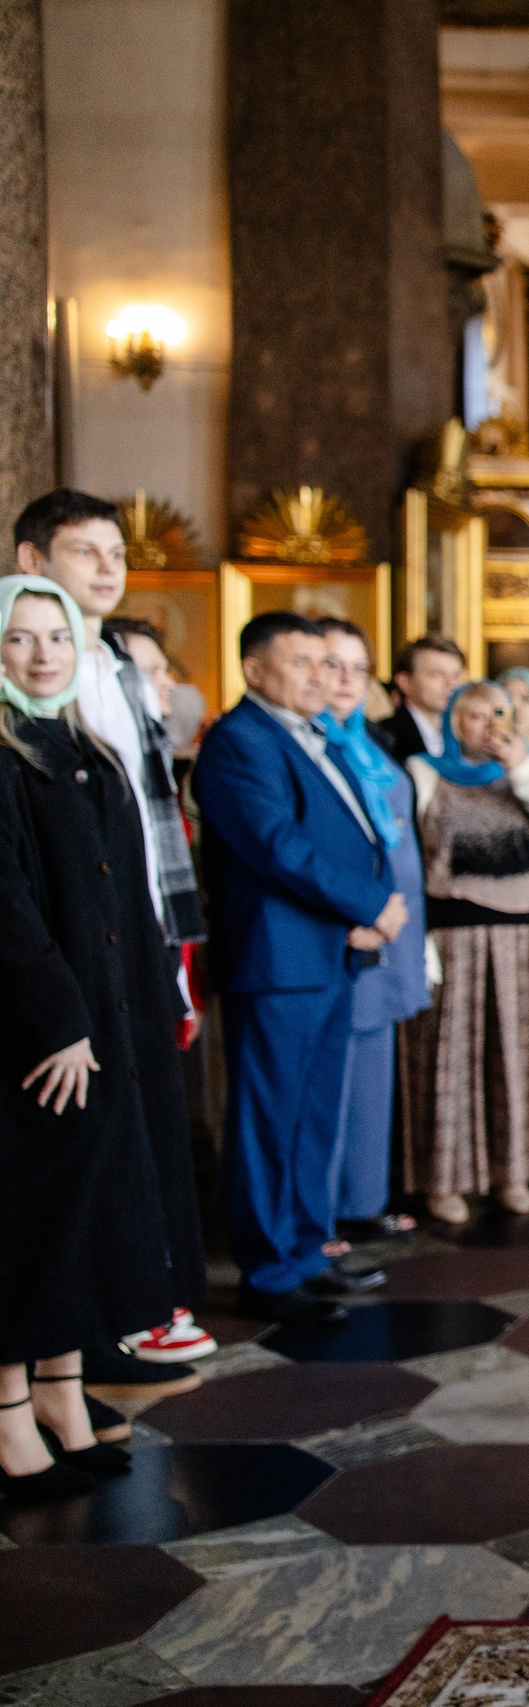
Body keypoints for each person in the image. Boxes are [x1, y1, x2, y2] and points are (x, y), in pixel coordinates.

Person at [0, 577, 194, 1506]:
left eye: (56, 636)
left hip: (109, 1025)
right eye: (19, 637)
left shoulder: (87, 748)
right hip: (37, 1037)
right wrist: (61, 1019)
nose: (42, 654)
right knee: (31, 1228)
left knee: (84, 1222)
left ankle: (65, 1400)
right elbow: (6, 908)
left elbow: (126, 898)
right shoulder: (1, 754)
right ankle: (8, 1422)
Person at [22, 493, 214, 1364]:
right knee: (95, 1126)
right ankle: (100, 1325)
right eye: (83, 551)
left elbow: (146, 805)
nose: (108, 567)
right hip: (71, 927)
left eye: (116, 552)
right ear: (32, 563)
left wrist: (168, 948)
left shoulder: (119, 664)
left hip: (135, 916)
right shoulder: (34, 683)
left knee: (146, 1113)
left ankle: (145, 1296)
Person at [192, 611, 407, 1324]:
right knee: (270, 1116)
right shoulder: (238, 740)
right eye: (304, 663)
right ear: (255, 669)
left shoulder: (314, 734)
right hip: (279, 957)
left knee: (316, 1113)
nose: (323, 676)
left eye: (328, 663)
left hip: (329, 949)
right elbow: (277, 845)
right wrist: (373, 899)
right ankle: (269, 1272)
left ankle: (311, 1251)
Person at [403, 680, 529, 1225]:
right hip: (450, 937)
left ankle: (512, 1172)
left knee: (514, 1056)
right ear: (452, 722)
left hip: (520, 937)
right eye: (473, 715)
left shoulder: (526, 772)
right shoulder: (423, 772)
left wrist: (525, 769)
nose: (487, 726)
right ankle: (445, 1180)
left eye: (497, 715)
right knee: (447, 1059)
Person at [310, 619, 431, 1245]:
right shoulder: (302, 746)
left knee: (373, 1070)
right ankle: (319, 1212)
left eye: (358, 669)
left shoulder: (370, 747)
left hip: (394, 930)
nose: (346, 682)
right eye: (332, 665)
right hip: (346, 932)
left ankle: (363, 1196)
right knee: (328, 1075)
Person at [376, 635, 465, 763]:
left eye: (456, 676)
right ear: (405, 682)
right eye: (437, 674)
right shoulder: (384, 735)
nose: (451, 684)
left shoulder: (463, 735)